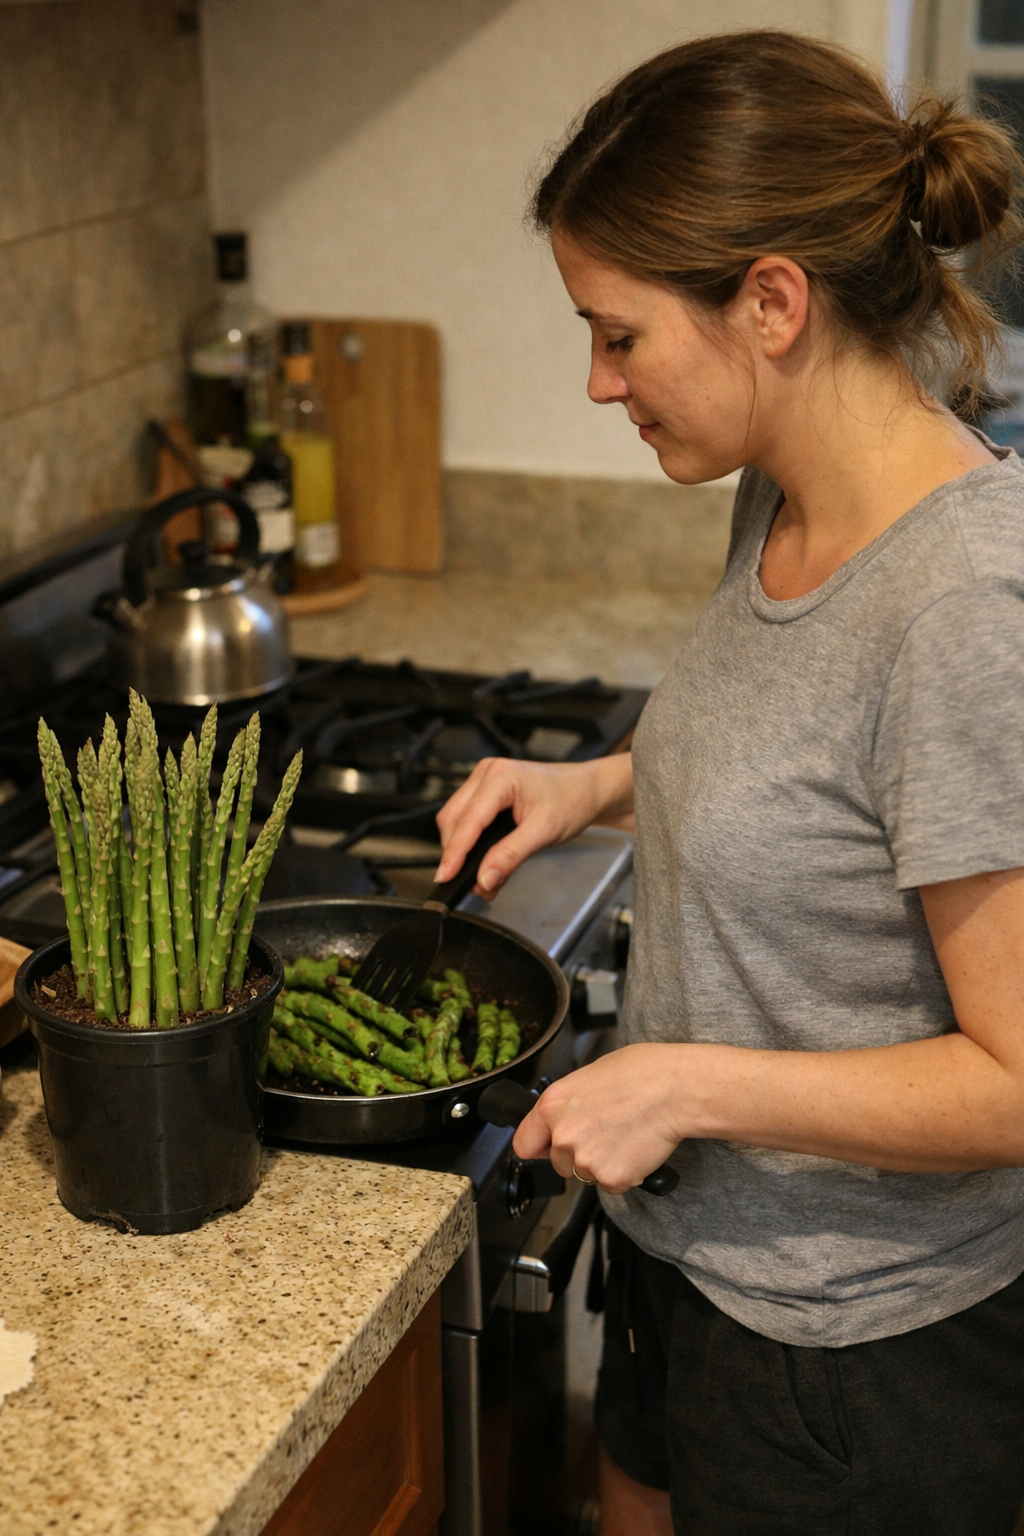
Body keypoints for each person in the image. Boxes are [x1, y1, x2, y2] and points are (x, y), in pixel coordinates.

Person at [433, 29, 1024, 1536]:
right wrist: (595, 786)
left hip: (855, 1362)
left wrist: (685, 1083)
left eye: (619, 336)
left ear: (771, 302)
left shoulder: (964, 610)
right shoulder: (781, 482)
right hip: (690, 1265)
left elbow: (1018, 1079)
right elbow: (815, 771)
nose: (597, 381)